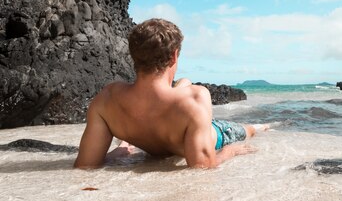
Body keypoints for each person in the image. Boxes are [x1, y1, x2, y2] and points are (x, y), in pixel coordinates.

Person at [74, 18, 261, 169]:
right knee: (248, 130)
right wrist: (230, 151)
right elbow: (203, 165)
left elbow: (85, 164)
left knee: (185, 89)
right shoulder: (196, 98)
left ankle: (264, 126)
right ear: (173, 56)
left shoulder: (107, 100)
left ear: (133, 55)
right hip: (217, 134)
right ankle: (262, 126)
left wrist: (117, 153)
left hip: (165, 123)